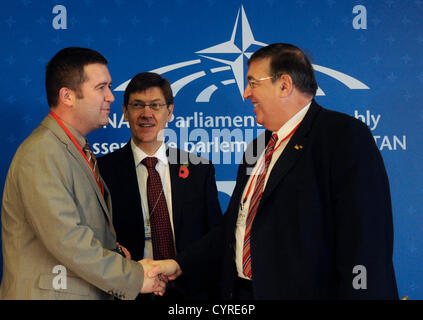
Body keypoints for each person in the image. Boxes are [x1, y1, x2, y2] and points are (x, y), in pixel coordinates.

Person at [151, 43, 399, 300]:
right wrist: (178, 264)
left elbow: (366, 241)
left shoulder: (342, 136)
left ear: (284, 85)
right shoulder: (257, 148)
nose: (246, 93)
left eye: (253, 83)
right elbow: (233, 228)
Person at [0, 47, 166, 300]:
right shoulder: (43, 152)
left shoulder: (73, 149)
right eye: (101, 88)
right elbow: (68, 240)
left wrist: (115, 253)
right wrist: (133, 275)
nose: (111, 96)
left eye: (109, 87)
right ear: (67, 96)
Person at [97, 72, 222, 300]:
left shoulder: (199, 170)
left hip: (189, 293)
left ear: (169, 112)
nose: (147, 114)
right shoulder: (102, 171)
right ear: (125, 112)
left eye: (155, 105)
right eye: (137, 105)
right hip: (127, 291)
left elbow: (215, 238)